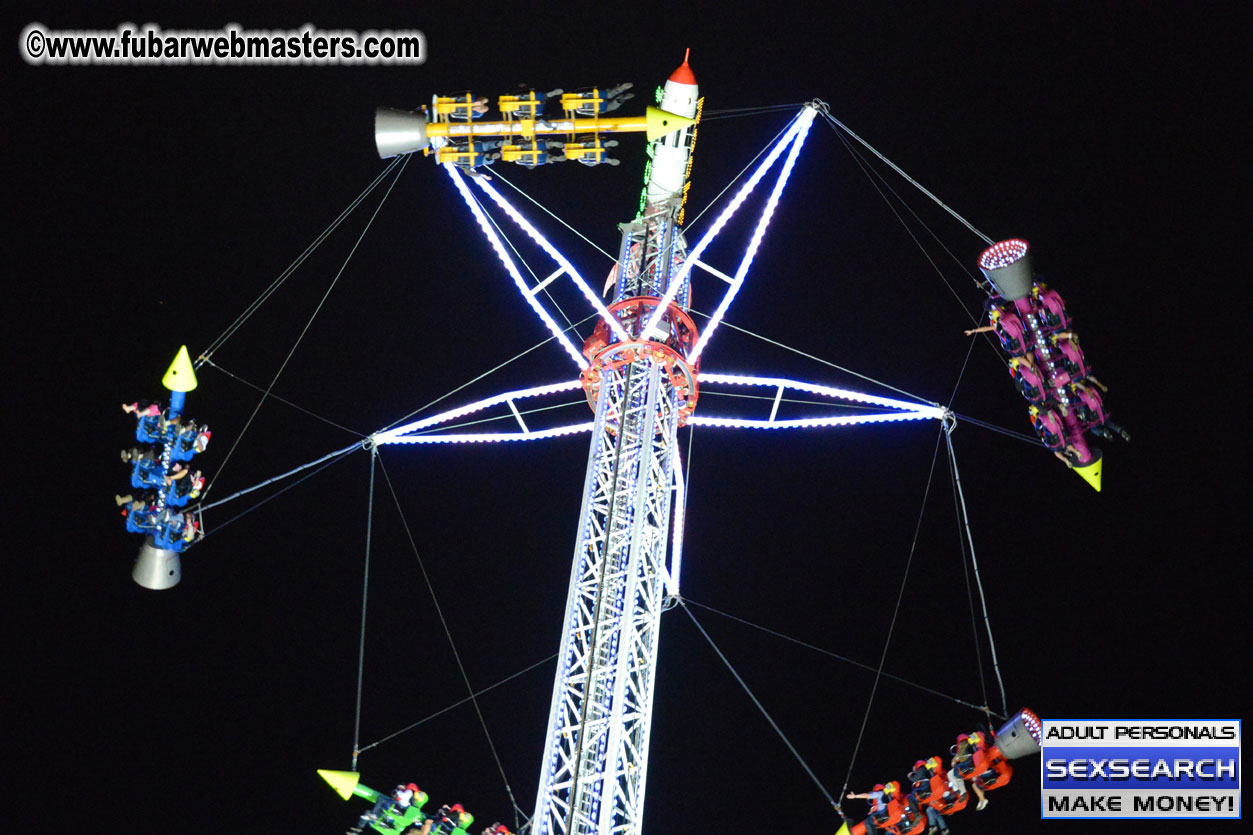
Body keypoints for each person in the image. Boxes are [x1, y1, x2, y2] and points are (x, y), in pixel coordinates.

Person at [350, 783, 420, 834]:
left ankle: (376, 816)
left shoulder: (409, 793)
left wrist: (398, 792)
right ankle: (357, 830)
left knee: (382, 800)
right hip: (386, 814)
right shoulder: (398, 797)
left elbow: (401, 798)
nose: (398, 789)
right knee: (368, 812)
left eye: (400, 788)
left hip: (394, 815)